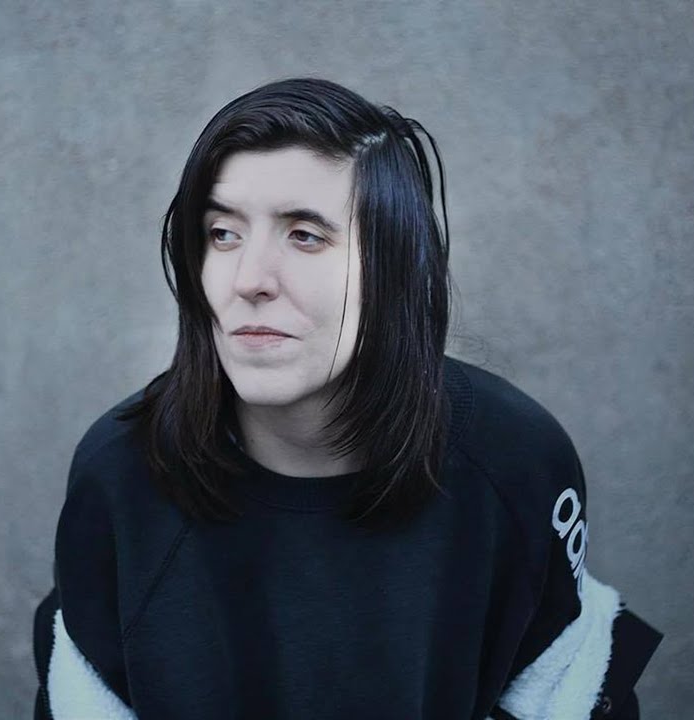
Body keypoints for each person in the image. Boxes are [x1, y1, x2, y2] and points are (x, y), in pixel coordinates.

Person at [32, 77, 661, 720]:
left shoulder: (516, 460)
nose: (249, 280)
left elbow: (563, 693)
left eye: (305, 235)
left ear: (395, 266)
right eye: (222, 233)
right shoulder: (120, 474)